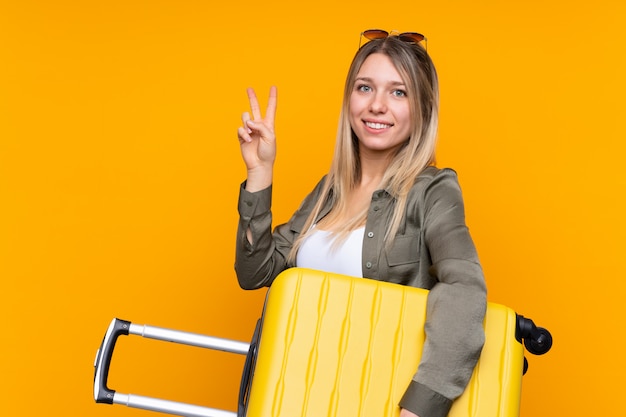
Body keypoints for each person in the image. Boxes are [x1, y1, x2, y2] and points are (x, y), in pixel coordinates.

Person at [234, 29, 487, 417]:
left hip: (372, 403)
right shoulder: (329, 191)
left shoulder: (432, 191)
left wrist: (421, 406)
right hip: (290, 398)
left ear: (423, 107)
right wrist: (260, 172)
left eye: (398, 92)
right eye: (364, 88)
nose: (377, 106)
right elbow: (255, 271)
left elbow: (464, 289)